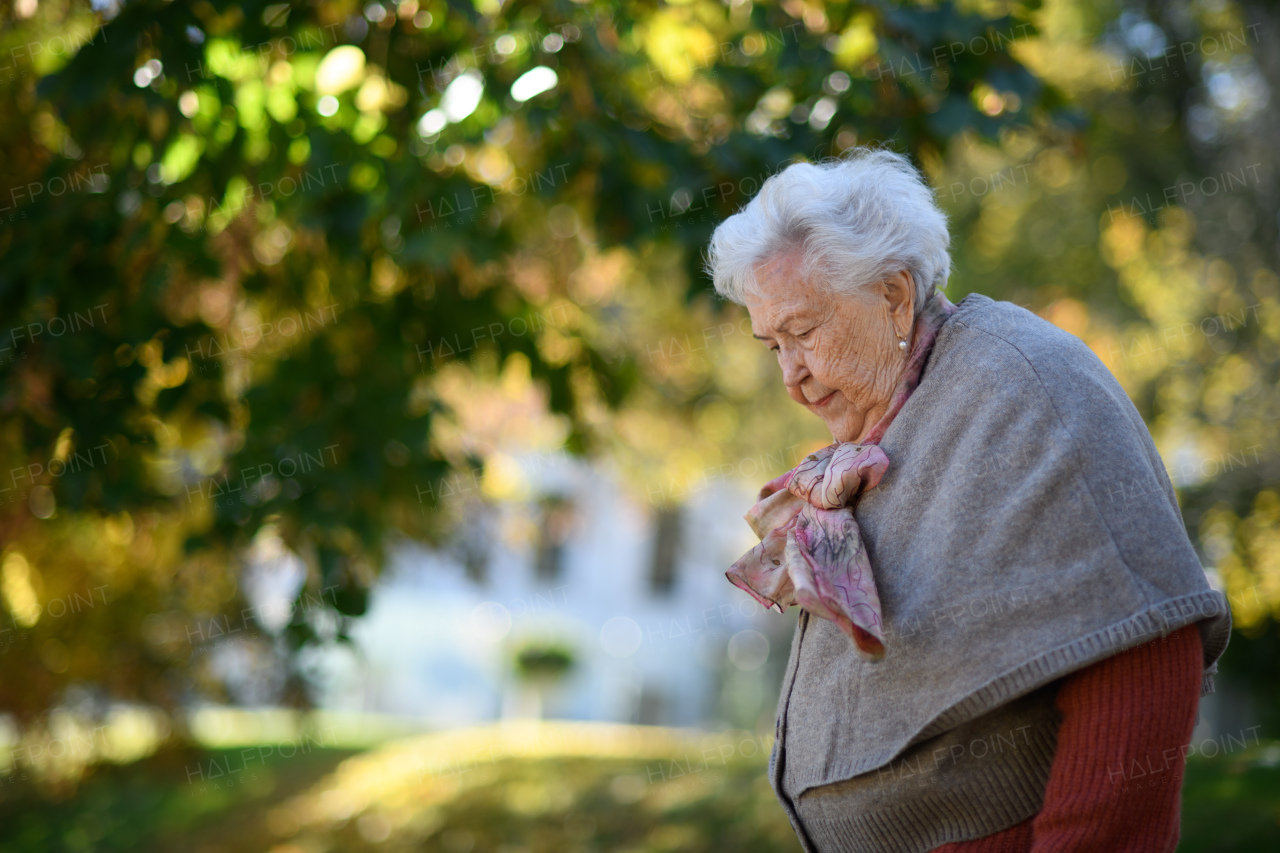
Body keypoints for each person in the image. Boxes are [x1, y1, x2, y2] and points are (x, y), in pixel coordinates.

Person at [702, 147, 1232, 853]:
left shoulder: (1027, 385)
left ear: (893, 294)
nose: (791, 375)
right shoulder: (891, 415)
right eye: (772, 345)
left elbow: (1142, 653)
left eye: (804, 331)